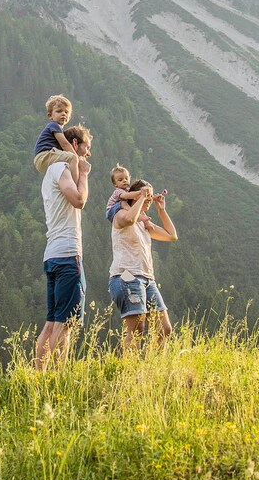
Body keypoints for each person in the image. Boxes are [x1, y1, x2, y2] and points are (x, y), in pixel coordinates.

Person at [35, 124, 92, 369]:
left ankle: (38, 377)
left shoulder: (50, 172)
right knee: (65, 324)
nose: (88, 154)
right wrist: (85, 175)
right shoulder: (60, 168)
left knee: (51, 322)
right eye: (86, 148)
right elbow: (79, 200)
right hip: (68, 254)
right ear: (75, 145)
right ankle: (58, 379)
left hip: (52, 256)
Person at [108, 179, 177, 351]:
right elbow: (130, 219)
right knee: (137, 330)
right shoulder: (120, 216)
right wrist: (141, 198)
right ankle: (132, 373)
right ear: (135, 195)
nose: (148, 200)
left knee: (164, 329)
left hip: (147, 279)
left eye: (149, 196)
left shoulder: (145, 223)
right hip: (125, 275)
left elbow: (171, 235)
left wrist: (161, 210)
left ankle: (152, 369)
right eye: (145, 195)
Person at [33, 95, 78, 174]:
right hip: (45, 156)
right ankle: (76, 185)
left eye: (66, 112)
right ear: (50, 116)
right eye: (59, 111)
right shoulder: (54, 125)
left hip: (45, 158)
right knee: (73, 158)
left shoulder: (60, 130)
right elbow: (64, 144)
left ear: (69, 117)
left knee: (65, 167)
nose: (63, 114)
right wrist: (77, 158)